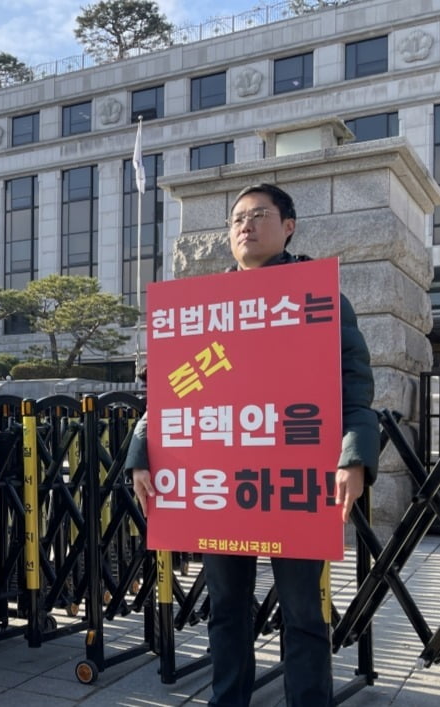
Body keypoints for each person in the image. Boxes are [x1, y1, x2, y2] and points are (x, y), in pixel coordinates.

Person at [128, 183, 379, 706]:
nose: (245, 225)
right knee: (226, 606)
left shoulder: (320, 298)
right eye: (237, 218)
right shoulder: (202, 307)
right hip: (222, 484)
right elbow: (170, 390)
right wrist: (140, 453)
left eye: (259, 214)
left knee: (304, 612)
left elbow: (354, 388)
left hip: (291, 482)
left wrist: (354, 457)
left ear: (288, 226)